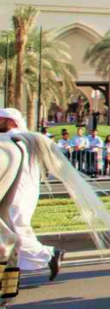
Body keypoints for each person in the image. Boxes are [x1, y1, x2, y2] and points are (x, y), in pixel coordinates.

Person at [0, 108, 64, 280]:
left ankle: (49, 255)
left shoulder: (15, 140)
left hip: (18, 190)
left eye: (0, 120)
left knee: (14, 229)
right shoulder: (22, 139)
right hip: (19, 188)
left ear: (11, 122)